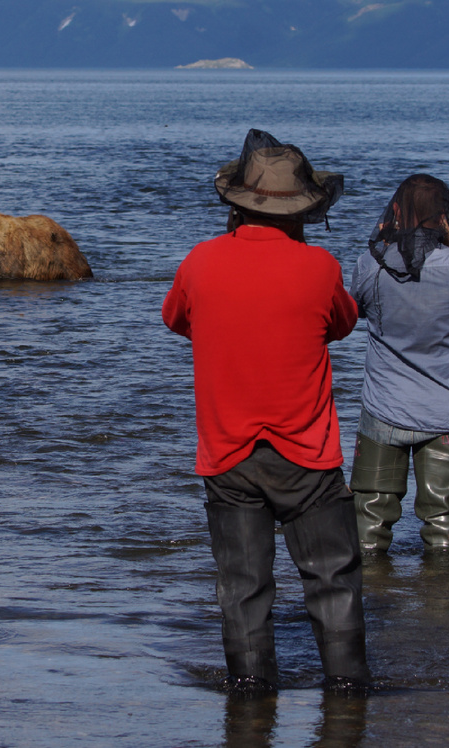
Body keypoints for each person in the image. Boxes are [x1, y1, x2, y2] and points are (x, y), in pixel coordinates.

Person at [162, 129, 369, 694]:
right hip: (307, 452)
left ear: (237, 205)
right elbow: (342, 325)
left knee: (242, 585)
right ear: (302, 210)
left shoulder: (199, 262)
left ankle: (250, 694)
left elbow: (177, 320)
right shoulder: (320, 266)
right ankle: (348, 692)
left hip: (227, 451)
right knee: (332, 581)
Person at [349, 174, 449, 553]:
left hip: (384, 409)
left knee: (368, 519)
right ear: (445, 217)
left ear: (395, 213)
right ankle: (444, 602)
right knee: (446, 519)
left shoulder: (371, 265)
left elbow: (353, 310)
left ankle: (370, 602)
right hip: (447, 412)